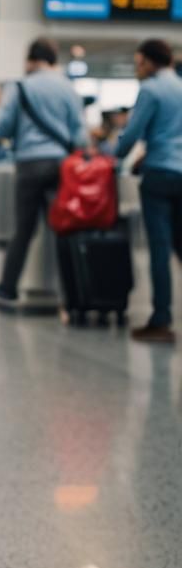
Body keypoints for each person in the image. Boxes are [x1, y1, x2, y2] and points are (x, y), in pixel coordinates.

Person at [0, 39, 87, 307]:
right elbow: (80, 135)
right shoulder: (68, 88)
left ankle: (7, 289)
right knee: (63, 227)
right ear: (52, 61)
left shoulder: (19, 88)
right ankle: (73, 295)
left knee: (23, 229)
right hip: (61, 165)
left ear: (30, 60)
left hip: (29, 165)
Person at [115, 39, 182, 344]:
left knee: (159, 248)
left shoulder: (152, 90)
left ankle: (161, 319)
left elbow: (131, 136)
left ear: (152, 62)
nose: (138, 68)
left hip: (159, 175)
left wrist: (114, 156)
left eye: (139, 62)